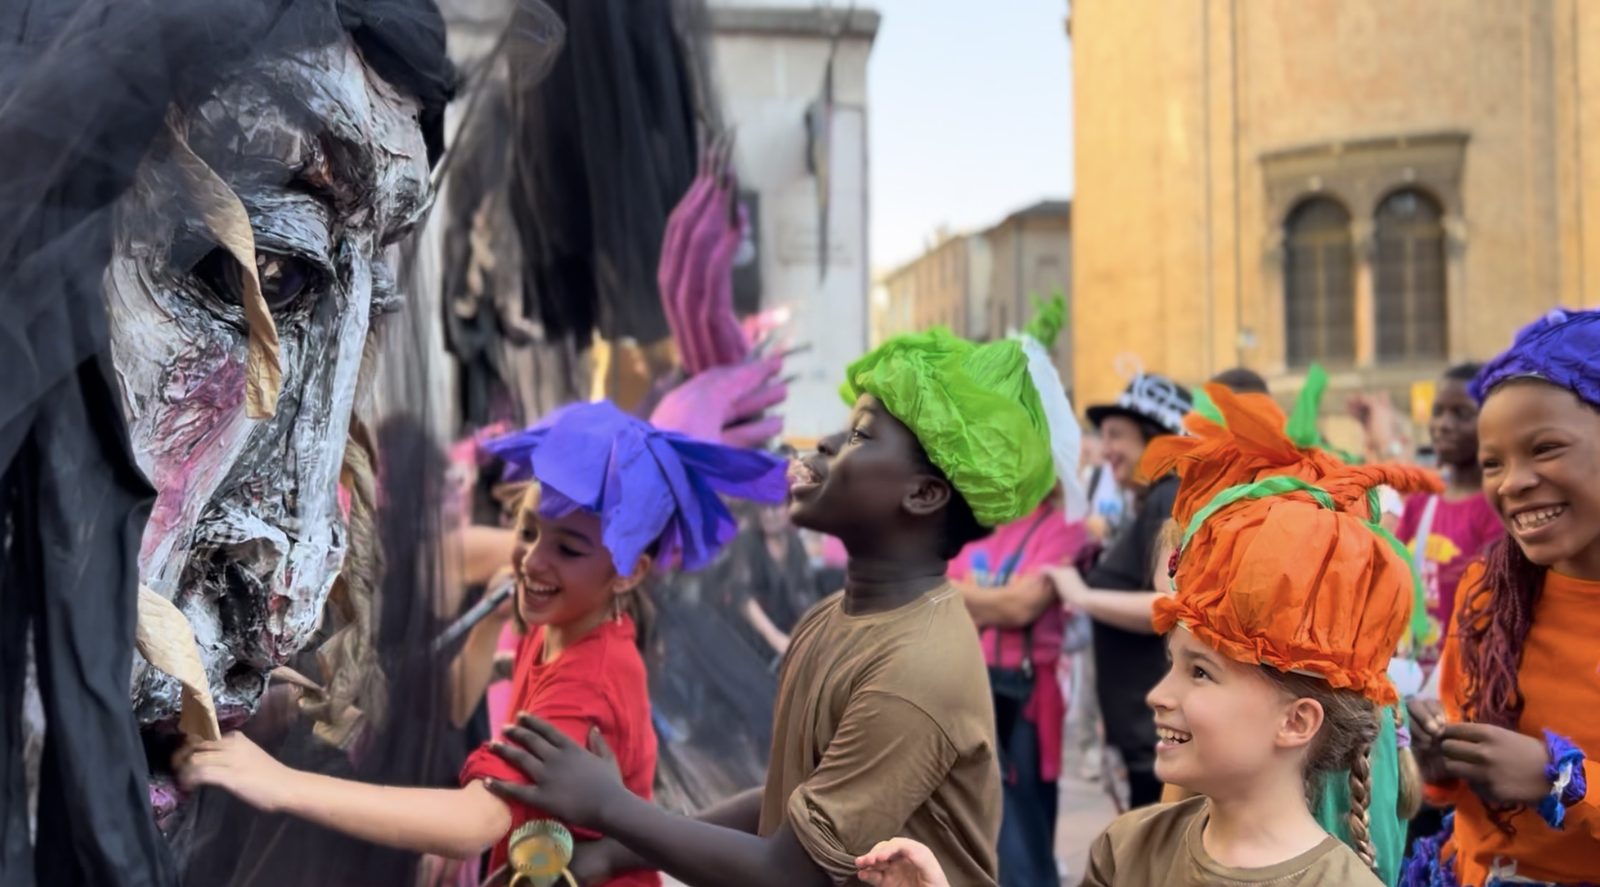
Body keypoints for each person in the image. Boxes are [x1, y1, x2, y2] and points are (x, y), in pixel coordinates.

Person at [486, 327, 1058, 887]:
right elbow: (788, 802)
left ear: (924, 494)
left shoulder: (915, 670)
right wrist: (615, 851)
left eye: (859, 435)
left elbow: (790, 870)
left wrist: (611, 807)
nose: (826, 443)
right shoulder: (833, 617)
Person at [173, 401, 787, 885]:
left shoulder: (591, 676)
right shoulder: (558, 621)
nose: (534, 560)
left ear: (629, 573)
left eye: (568, 549)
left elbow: (476, 821)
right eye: (529, 530)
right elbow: (463, 709)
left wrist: (279, 784)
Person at [1404, 308, 1600, 886]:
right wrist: (1439, 760)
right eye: (1493, 462)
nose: (1511, 482)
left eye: (1545, 448)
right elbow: (1455, 785)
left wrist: (1556, 778)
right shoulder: (1489, 592)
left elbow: (1540, 776)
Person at [1056, 371, 1193, 807]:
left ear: (1155, 440)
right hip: (1144, 730)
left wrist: (1081, 595)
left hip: (1153, 732)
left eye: (1117, 435)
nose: (1106, 449)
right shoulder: (1158, 498)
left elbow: (1170, 602)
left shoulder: (1168, 497)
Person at [1393, 364, 1501, 689]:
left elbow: (1495, 610)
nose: (1443, 424)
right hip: (1412, 678)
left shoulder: (1496, 508)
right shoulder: (1421, 501)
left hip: (1470, 683)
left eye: (1461, 414)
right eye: (1438, 412)